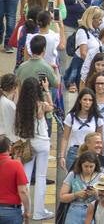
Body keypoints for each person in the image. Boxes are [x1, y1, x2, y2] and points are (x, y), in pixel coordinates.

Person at [14, 75, 52, 221]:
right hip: (42, 143)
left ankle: (23, 209)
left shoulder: (20, 106)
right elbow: (52, 107)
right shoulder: (41, 104)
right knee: (41, 177)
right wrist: (47, 90)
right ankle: (39, 212)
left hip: (28, 144)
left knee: (26, 177)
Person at [58, 151, 102, 224]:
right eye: (86, 166)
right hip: (74, 211)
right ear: (81, 165)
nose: (88, 169)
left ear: (95, 165)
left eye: (91, 166)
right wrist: (76, 195)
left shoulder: (101, 177)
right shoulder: (73, 175)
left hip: (94, 211)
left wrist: (96, 193)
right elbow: (62, 197)